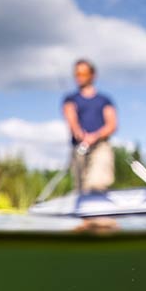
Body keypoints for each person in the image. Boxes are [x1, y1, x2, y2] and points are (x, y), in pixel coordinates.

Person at [62, 59, 117, 193]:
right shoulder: (70, 99)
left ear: (92, 75)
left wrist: (95, 136)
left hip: (100, 146)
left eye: (83, 73)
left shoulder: (104, 100)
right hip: (79, 148)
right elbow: (71, 117)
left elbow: (112, 124)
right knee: (81, 190)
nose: (79, 77)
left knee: (96, 185)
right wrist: (78, 133)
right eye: (77, 74)